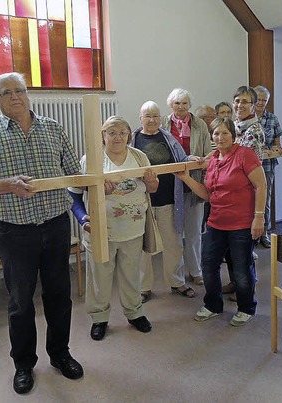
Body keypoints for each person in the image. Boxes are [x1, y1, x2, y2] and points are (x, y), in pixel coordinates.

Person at [0, 72, 83, 395]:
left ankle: (60, 354)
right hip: (14, 232)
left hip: (56, 225)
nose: (15, 96)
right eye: (6, 92)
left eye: (20, 90)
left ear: (28, 94)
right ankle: (24, 365)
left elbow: (76, 174)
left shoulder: (54, 129)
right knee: (20, 301)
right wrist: (7, 185)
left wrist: (103, 182)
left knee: (59, 295)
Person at [69, 116, 158, 341]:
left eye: (122, 132)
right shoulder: (91, 160)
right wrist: (82, 219)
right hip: (101, 231)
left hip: (133, 229)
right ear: (102, 135)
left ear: (129, 134)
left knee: (131, 275)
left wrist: (150, 182)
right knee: (100, 277)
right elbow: (74, 195)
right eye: (111, 132)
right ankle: (100, 318)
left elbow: (153, 188)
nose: (117, 137)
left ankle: (134, 313)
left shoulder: (139, 157)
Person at [175, 118, 266, 327]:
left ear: (233, 135)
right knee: (208, 265)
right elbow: (208, 194)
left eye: (225, 133)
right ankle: (213, 305)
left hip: (242, 223)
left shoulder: (245, 155)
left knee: (242, 269)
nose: (220, 137)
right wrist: (186, 179)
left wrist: (258, 217)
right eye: (216, 133)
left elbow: (261, 185)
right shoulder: (214, 159)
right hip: (216, 222)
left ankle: (246, 308)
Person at [131, 101, 200, 302]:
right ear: (140, 118)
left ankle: (176, 282)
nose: (152, 120)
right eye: (147, 116)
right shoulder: (133, 140)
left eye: (155, 116)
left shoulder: (168, 138)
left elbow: (181, 158)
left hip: (169, 200)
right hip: (144, 203)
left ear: (160, 118)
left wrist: (189, 159)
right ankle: (144, 288)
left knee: (174, 244)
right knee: (143, 247)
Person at [161, 89, 213, 287]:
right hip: (170, 185)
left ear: (190, 105)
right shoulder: (163, 124)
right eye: (176, 103)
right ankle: (177, 277)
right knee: (173, 235)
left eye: (184, 103)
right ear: (170, 105)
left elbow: (209, 154)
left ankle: (195, 270)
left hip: (194, 183)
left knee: (193, 231)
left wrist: (198, 161)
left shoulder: (200, 125)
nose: (180, 107)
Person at [222, 86, 266, 299]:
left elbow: (237, 162)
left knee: (242, 250)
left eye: (245, 101)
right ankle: (234, 281)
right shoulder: (236, 126)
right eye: (237, 100)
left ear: (254, 105)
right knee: (231, 248)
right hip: (231, 196)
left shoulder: (253, 130)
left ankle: (246, 289)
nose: (240, 105)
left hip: (245, 196)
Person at [253, 85, 282, 248]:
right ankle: (250, 235)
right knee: (248, 201)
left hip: (267, 166)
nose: (262, 103)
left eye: (265, 100)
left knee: (265, 200)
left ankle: (264, 233)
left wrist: (274, 149)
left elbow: (277, 144)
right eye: (259, 99)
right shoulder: (246, 118)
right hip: (248, 168)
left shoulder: (272, 118)